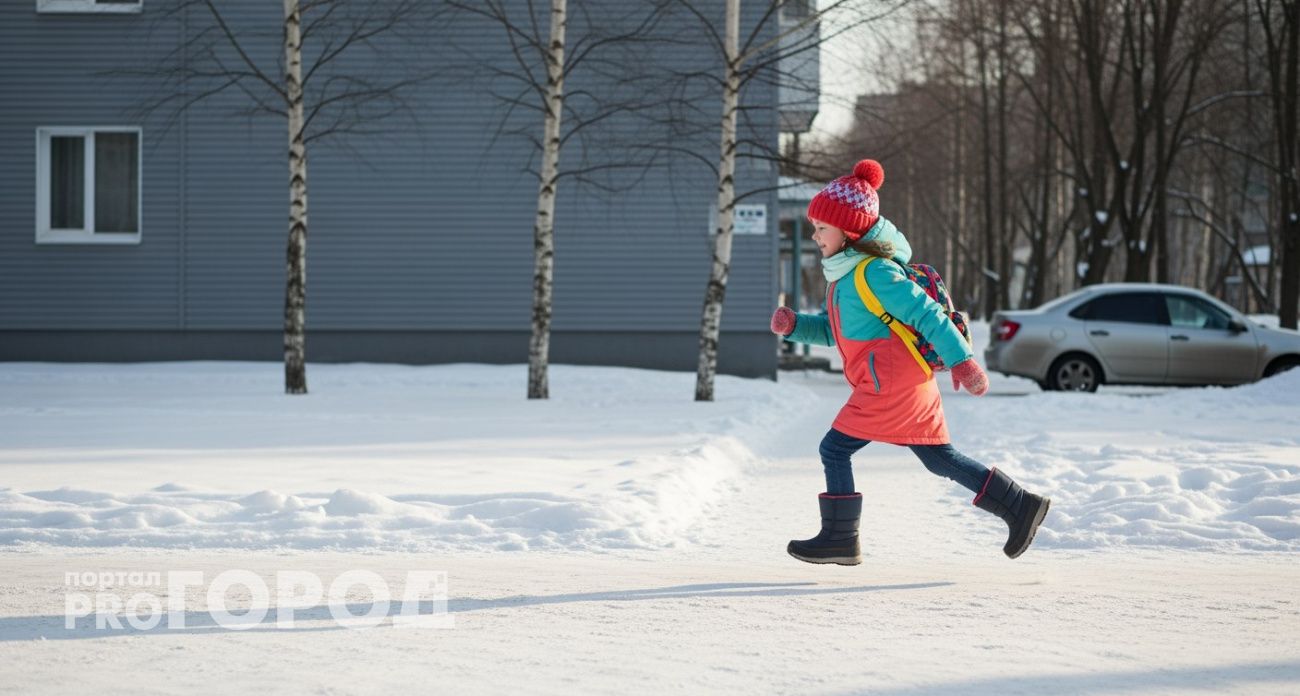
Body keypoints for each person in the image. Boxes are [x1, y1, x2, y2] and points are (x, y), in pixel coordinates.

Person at [771, 159, 1050, 565]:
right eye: (815, 228)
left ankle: (840, 538)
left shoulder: (875, 273)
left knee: (834, 449)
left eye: (821, 228)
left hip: (889, 384)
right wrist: (796, 325)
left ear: (849, 232)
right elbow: (836, 332)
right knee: (940, 459)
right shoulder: (842, 279)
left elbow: (928, 315)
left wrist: (962, 361)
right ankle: (1019, 505)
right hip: (902, 382)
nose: (815, 236)